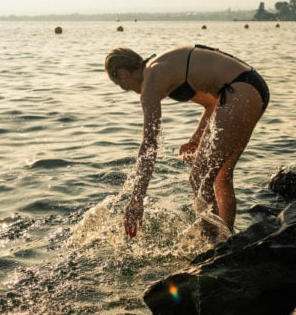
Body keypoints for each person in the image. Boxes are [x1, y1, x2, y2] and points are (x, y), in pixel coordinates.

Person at [104, 44, 269, 239]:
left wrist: (136, 201)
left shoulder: (151, 80)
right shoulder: (162, 66)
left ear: (123, 74)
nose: (130, 90)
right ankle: (226, 240)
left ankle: (212, 242)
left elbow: (149, 143)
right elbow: (210, 102)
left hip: (239, 90)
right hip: (252, 86)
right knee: (220, 176)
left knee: (199, 176)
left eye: (124, 87)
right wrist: (195, 139)